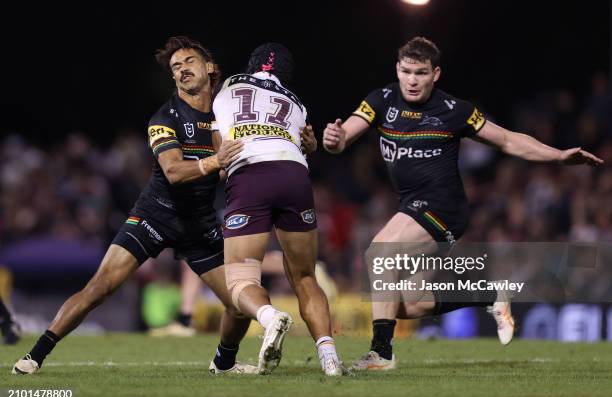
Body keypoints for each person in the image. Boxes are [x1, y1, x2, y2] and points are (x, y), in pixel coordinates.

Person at [322, 36, 603, 371]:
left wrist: (557, 156)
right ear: (397, 69)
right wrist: (334, 140)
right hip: (413, 206)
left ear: (435, 74)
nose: (413, 80)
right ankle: (489, 295)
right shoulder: (380, 101)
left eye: (421, 73)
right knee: (400, 304)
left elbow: (508, 140)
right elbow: (343, 138)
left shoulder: (454, 111)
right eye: (407, 71)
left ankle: (381, 353)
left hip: (444, 208)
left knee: (379, 254)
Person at [12, 36, 255, 375]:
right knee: (99, 289)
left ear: (210, 68)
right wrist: (217, 161)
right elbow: (172, 171)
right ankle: (35, 354)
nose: (182, 69)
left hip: (198, 226)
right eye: (175, 67)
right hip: (153, 216)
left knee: (240, 305)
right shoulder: (164, 117)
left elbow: (238, 163)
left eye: (189, 62)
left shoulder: (225, 116)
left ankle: (224, 363)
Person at [212, 43, 345, 376]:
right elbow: (305, 144)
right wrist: (311, 146)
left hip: (251, 173)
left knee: (241, 278)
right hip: (295, 175)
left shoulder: (229, 85)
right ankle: (329, 356)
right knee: (304, 275)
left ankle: (270, 318)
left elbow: (221, 161)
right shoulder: (296, 102)